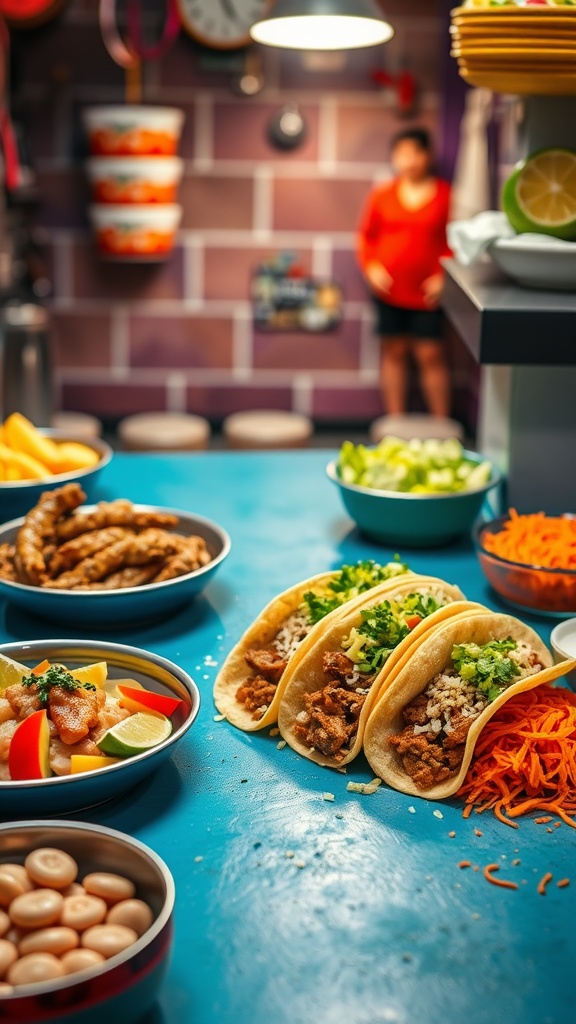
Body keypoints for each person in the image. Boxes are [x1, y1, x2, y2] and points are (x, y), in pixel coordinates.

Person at [356, 127, 452, 418]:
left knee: (430, 354)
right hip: (389, 291)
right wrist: (371, 267)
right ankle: (394, 424)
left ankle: (442, 426)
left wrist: (443, 277)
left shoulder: (446, 196)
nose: (409, 160)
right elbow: (365, 237)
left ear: (428, 155)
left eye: (415, 153)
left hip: (427, 293)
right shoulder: (382, 195)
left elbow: (455, 241)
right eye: (402, 154)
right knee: (393, 351)